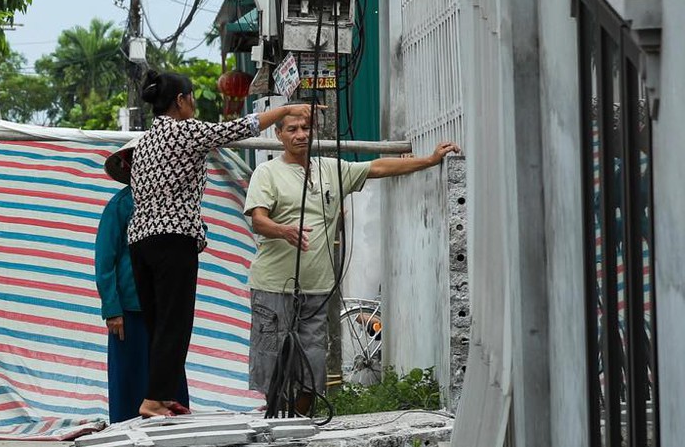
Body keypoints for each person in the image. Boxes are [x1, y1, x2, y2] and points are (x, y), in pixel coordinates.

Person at [244, 106, 460, 415]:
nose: (301, 134)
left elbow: (377, 168)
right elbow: (258, 220)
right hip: (273, 287)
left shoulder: (330, 169)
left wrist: (428, 160)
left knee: (312, 367)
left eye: (305, 128)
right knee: (274, 364)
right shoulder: (267, 172)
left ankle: (301, 425)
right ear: (279, 135)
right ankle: (275, 424)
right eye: (292, 129)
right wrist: (283, 231)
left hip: (317, 290)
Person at [126, 71, 310, 420]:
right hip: (173, 236)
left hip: (140, 240)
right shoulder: (186, 131)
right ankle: (153, 401)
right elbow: (244, 127)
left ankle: (159, 397)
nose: (194, 104)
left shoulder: (145, 141)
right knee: (175, 322)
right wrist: (290, 109)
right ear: (180, 101)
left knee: (158, 323)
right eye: (192, 97)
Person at [95, 145, 178, 423]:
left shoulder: (171, 202)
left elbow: (195, 226)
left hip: (165, 307)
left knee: (169, 374)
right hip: (129, 310)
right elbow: (104, 261)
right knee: (128, 376)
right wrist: (112, 308)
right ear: (127, 168)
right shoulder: (120, 206)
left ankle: (173, 436)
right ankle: (126, 438)